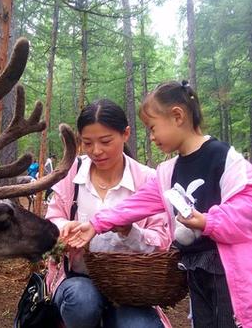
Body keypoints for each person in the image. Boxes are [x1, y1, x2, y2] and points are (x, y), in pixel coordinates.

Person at [66, 81, 252, 328]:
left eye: (153, 127)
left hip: (232, 274)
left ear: (177, 116)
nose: (152, 136)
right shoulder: (168, 172)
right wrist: (95, 224)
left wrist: (209, 222)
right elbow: (136, 204)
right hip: (196, 270)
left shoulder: (225, 159)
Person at [45, 99, 172, 328]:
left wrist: (130, 233)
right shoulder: (71, 173)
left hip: (131, 286)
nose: (96, 151)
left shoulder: (148, 180)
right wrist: (63, 227)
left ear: (125, 134)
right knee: (81, 302)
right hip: (77, 277)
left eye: (105, 141)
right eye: (87, 143)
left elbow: (163, 241)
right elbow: (52, 219)